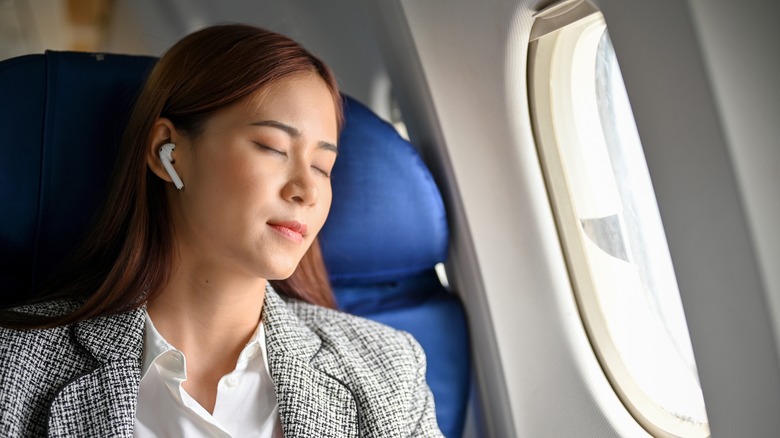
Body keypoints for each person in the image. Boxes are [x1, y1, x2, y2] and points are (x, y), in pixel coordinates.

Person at [0, 24, 442, 437]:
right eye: (272, 147)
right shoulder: (13, 371)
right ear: (166, 152)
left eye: (323, 167)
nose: (307, 189)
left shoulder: (390, 370)